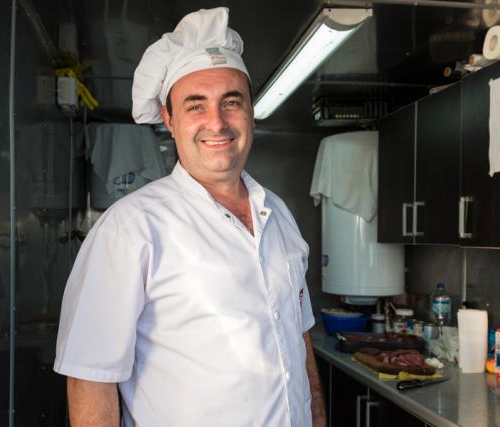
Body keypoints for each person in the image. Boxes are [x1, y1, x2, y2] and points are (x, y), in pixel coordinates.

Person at [54, 7, 326, 427]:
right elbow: (91, 379)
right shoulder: (131, 229)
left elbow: (299, 342)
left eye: (231, 102)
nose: (217, 123)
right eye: (195, 106)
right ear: (170, 119)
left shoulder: (280, 215)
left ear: (251, 111)